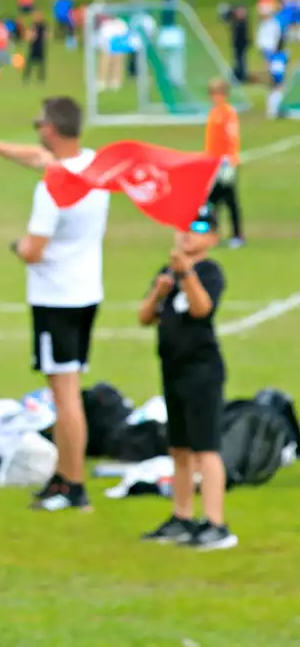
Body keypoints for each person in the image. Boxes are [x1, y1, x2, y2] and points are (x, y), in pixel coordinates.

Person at [0, 96, 109, 512]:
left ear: (50, 130)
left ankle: (73, 484)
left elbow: (34, 249)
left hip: (56, 299)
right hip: (85, 293)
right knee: (69, 389)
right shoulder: (94, 166)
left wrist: (16, 245)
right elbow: (39, 158)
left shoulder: (52, 188)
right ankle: (65, 477)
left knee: (64, 395)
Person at [137, 203, 236, 549]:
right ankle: (182, 517)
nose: (186, 234)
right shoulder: (167, 271)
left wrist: (186, 274)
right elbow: (144, 317)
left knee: (206, 448)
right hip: (172, 368)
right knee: (178, 447)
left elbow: (202, 309)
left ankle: (216, 523)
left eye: (196, 229)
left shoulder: (209, 271)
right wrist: (159, 291)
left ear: (212, 237)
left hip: (202, 370)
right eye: (182, 227)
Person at [205, 79, 244, 247]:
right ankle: (214, 233)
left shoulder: (228, 113)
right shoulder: (214, 113)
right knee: (211, 200)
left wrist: (230, 159)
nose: (215, 97)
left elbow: (232, 137)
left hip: (225, 164)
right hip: (214, 164)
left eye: (217, 93)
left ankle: (237, 235)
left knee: (229, 200)